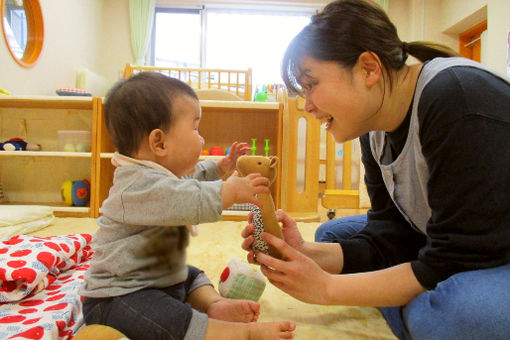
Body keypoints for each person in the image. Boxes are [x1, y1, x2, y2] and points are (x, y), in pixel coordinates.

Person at [241, 0, 510, 339]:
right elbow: (392, 234)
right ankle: (406, 301)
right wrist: (304, 254)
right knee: (330, 236)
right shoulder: (374, 128)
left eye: (311, 85)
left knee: (460, 315)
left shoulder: (453, 96)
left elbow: (454, 259)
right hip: (449, 241)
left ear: (368, 68)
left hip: (490, 251)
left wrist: (326, 288)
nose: (307, 106)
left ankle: (409, 304)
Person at [80, 72, 296, 340]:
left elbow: (186, 181)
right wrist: (231, 191)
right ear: (159, 142)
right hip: (118, 299)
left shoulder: (159, 176)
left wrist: (220, 167)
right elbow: (188, 197)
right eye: (195, 128)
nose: (202, 138)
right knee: (172, 318)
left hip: (158, 280)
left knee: (192, 276)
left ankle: (212, 304)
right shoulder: (136, 186)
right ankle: (242, 334)